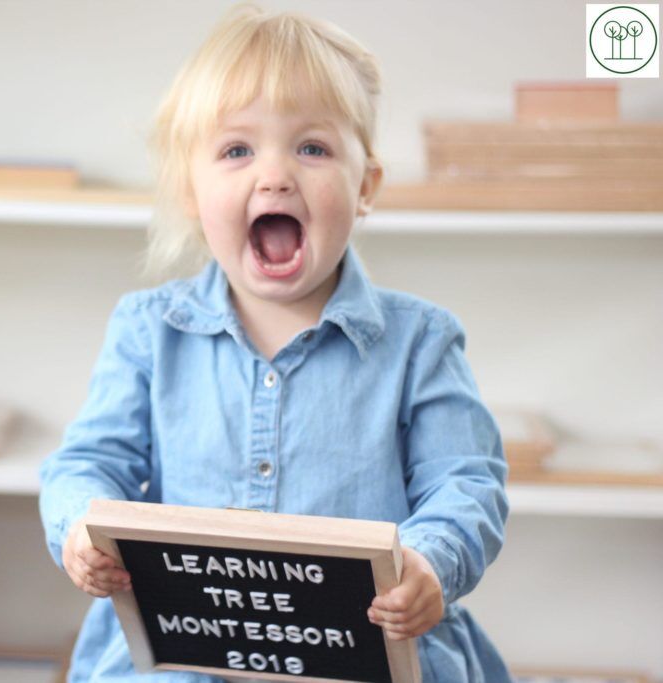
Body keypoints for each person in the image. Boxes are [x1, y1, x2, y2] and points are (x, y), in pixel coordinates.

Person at [39, 5, 510, 681]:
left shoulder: (420, 341)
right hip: (185, 650)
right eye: (237, 150)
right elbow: (87, 460)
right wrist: (82, 527)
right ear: (189, 190)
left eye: (312, 148)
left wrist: (432, 560)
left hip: (368, 652)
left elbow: (467, 482)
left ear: (366, 185)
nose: (275, 175)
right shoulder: (149, 331)